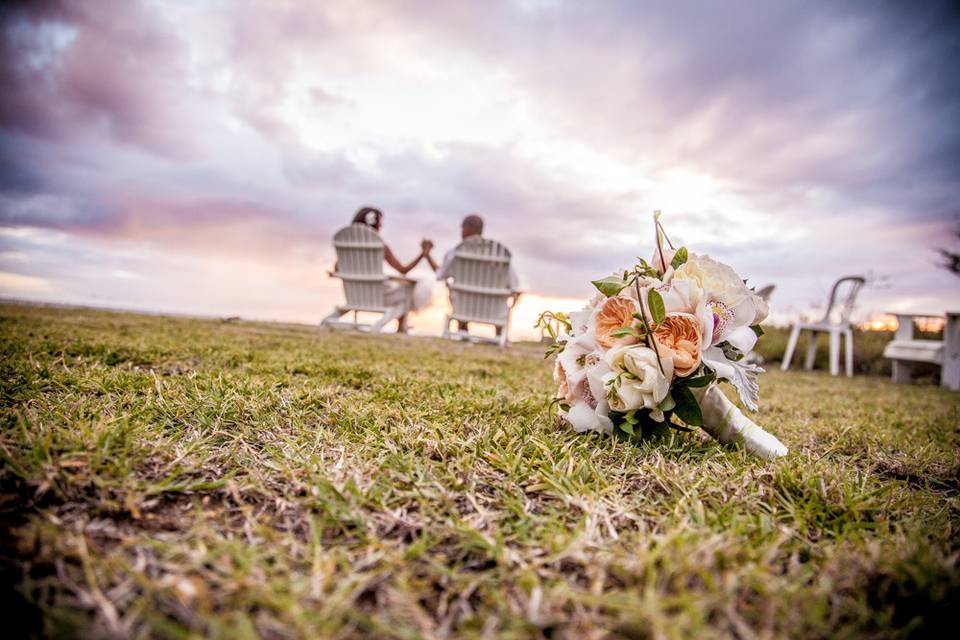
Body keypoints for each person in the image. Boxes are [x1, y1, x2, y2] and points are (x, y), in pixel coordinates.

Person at [424, 214, 519, 336]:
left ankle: (463, 332)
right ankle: (499, 336)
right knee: (505, 298)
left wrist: (427, 256)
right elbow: (514, 285)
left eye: (462, 228)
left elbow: (440, 274)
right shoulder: (499, 255)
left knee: (458, 296)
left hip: (463, 308)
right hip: (495, 311)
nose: (461, 231)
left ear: (468, 228)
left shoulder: (455, 253)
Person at [348, 206, 435, 333]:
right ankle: (401, 327)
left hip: (353, 292)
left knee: (401, 289)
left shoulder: (347, 244)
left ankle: (402, 326)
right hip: (377, 294)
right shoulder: (381, 246)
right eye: (381, 224)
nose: (381, 227)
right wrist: (423, 254)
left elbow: (337, 267)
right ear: (376, 225)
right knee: (409, 289)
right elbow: (403, 270)